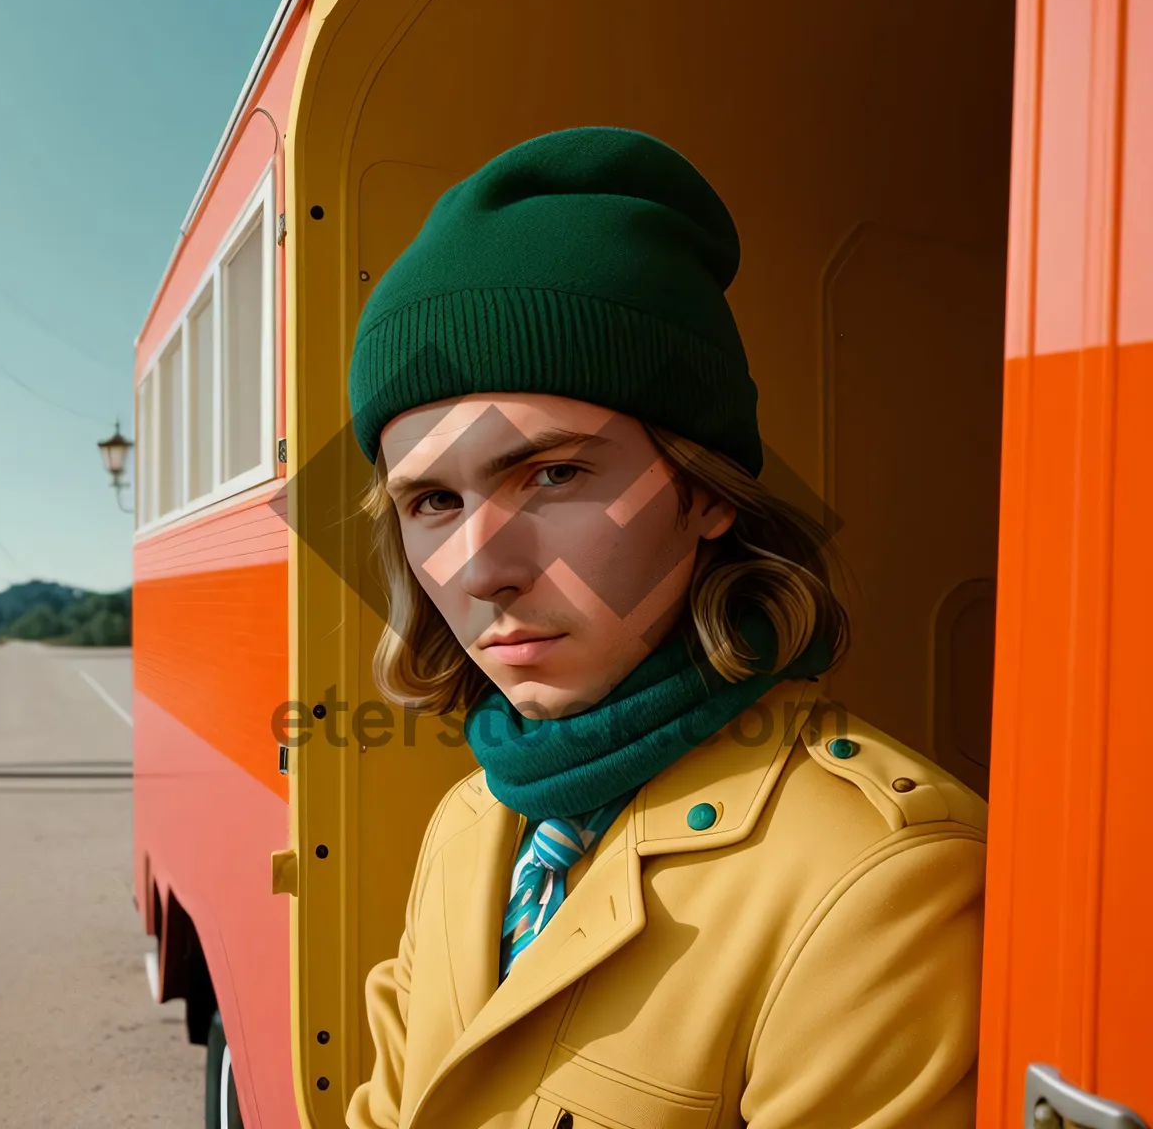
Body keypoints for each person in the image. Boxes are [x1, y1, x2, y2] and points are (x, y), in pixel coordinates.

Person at [344, 126, 986, 1129]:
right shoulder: (474, 819)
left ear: (705, 493)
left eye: (552, 474)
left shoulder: (879, 880)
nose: (480, 568)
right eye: (431, 501)